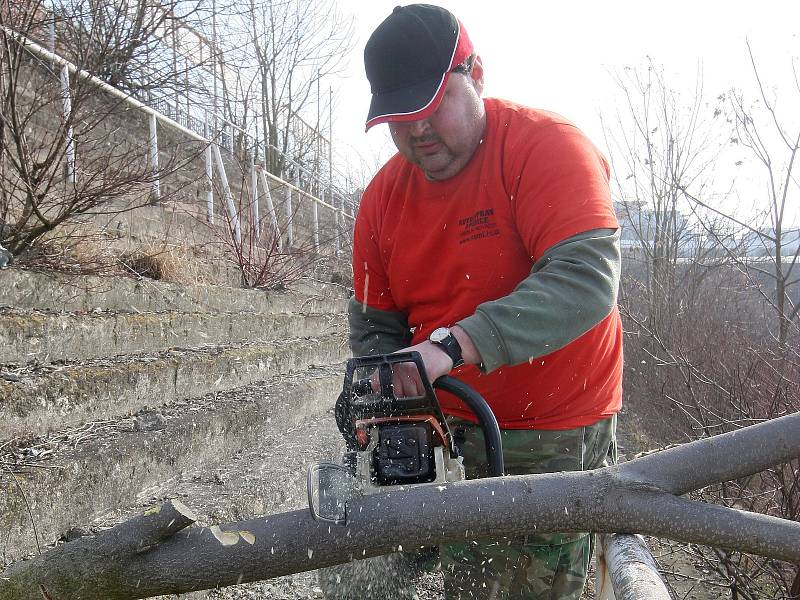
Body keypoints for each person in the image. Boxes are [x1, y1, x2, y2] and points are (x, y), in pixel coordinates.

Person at [324, 4, 623, 599]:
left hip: (548, 429)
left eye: (431, 106)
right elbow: (375, 324)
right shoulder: (382, 199)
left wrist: (451, 346)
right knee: (371, 579)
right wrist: (385, 395)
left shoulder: (547, 149)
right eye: (399, 118)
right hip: (438, 423)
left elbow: (584, 281)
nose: (418, 130)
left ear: (476, 74)